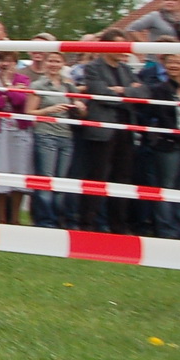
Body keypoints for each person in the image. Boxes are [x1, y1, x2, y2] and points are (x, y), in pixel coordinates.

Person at [75, 27, 137, 233]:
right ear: (106, 46)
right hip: (102, 131)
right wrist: (126, 95)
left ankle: (118, 224)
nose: (123, 50)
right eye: (118, 45)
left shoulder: (126, 69)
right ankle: (88, 224)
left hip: (125, 131)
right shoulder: (92, 67)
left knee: (123, 177)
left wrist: (122, 92)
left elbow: (143, 91)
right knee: (97, 176)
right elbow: (99, 93)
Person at [136, 52, 180, 240]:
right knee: (166, 186)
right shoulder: (160, 89)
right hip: (168, 145)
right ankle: (166, 230)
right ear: (164, 64)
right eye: (170, 61)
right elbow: (163, 116)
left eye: (178, 61)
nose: (174, 65)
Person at [27, 49, 82, 228]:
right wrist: (48, 111)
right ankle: (44, 221)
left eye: (57, 61)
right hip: (46, 135)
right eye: (50, 61)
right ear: (45, 63)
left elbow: (81, 109)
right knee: (46, 179)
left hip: (66, 136)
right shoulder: (38, 85)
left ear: (62, 64)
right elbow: (29, 112)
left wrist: (80, 106)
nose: (53, 64)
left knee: (61, 180)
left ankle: (59, 219)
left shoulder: (69, 86)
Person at [0, 51, 33, 225]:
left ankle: (15, 217)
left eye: (9, 61)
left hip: (19, 132)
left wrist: (9, 86)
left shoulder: (23, 79)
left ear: (15, 63)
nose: (5, 64)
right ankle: (0, 216)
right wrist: (6, 95)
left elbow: (20, 101)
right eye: (1, 60)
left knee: (18, 172)